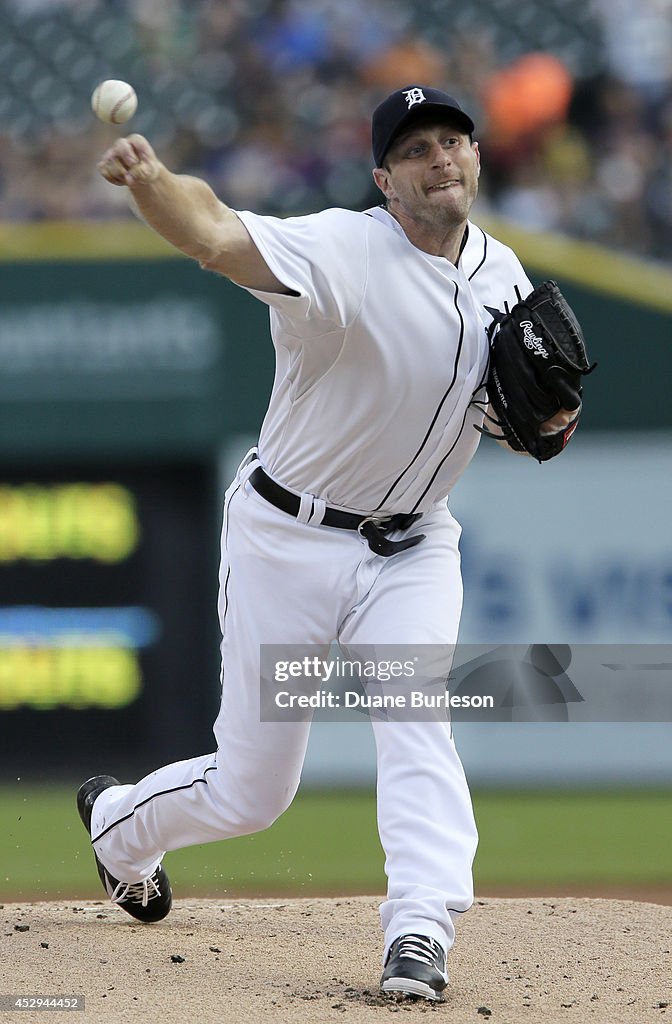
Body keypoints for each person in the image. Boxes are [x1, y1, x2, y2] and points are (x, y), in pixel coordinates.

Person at [78, 85, 576, 1001]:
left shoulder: (508, 279)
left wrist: (543, 421)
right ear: (386, 179)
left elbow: (516, 417)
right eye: (418, 148)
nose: (442, 158)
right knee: (252, 793)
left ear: (476, 159)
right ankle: (117, 827)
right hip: (287, 539)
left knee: (416, 711)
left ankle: (420, 928)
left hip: (415, 545)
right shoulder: (340, 248)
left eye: (454, 142)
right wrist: (151, 182)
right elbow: (215, 233)